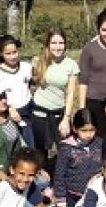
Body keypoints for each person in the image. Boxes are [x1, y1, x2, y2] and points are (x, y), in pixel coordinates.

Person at [31, 27, 79, 159]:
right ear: (47, 44)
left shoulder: (71, 65)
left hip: (59, 114)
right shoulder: (38, 61)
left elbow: (70, 93)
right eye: (54, 43)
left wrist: (66, 118)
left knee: (64, 151)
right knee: (39, 153)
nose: (58, 47)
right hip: (39, 114)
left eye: (61, 43)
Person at [54, 109, 103, 207]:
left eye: (92, 130)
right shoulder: (66, 148)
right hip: (72, 195)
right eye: (84, 130)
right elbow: (59, 176)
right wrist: (62, 204)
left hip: (94, 195)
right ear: (75, 129)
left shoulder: (100, 143)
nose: (88, 134)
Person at [0, 35, 35, 148]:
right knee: (11, 148)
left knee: (29, 147)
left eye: (15, 52)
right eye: (8, 54)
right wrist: (9, 109)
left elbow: (33, 85)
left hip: (27, 113)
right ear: (0, 53)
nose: (13, 56)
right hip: (8, 114)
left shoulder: (26, 67)